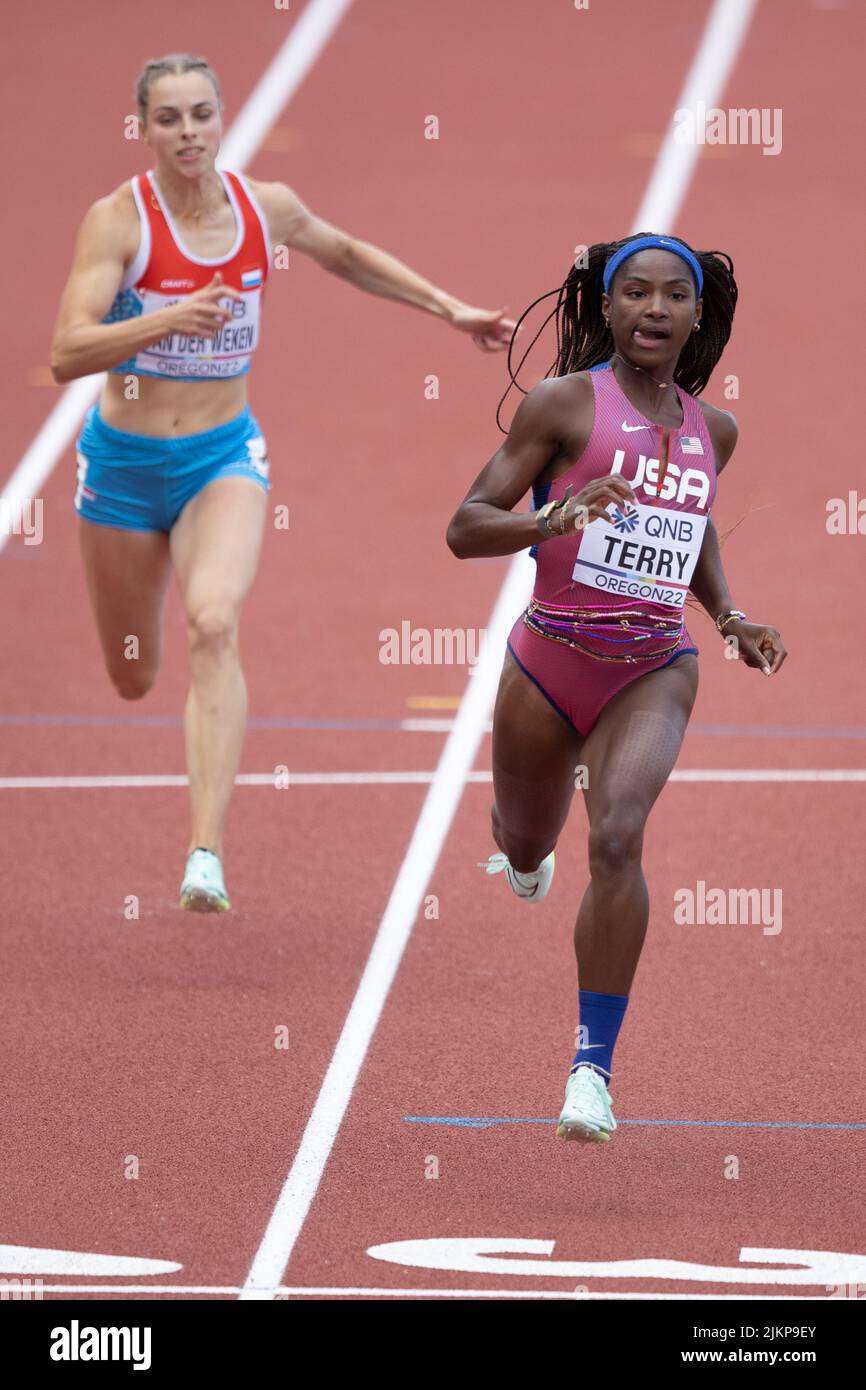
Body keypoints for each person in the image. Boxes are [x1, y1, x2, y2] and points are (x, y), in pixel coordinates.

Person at [50, 52, 515, 912]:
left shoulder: (267, 208)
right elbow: (64, 352)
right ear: (144, 128)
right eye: (168, 118)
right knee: (133, 675)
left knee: (214, 621)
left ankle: (204, 855)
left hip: (221, 457)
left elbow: (347, 255)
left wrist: (450, 310)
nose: (187, 133)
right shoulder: (119, 224)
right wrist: (163, 319)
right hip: (120, 468)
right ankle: (180, 782)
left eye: (200, 115)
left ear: (222, 118)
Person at [446, 233, 787, 1142]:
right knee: (526, 840)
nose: (654, 310)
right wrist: (555, 517)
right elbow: (465, 525)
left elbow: (694, 523)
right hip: (548, 661)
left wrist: (727, 617)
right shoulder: (562, 405)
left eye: (673, 296)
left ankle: (590, 1071)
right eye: (634, 294)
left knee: (620, 836)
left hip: (653, 667)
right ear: (607, 308)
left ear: (696, 315)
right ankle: (522, 858)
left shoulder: (714, 429)